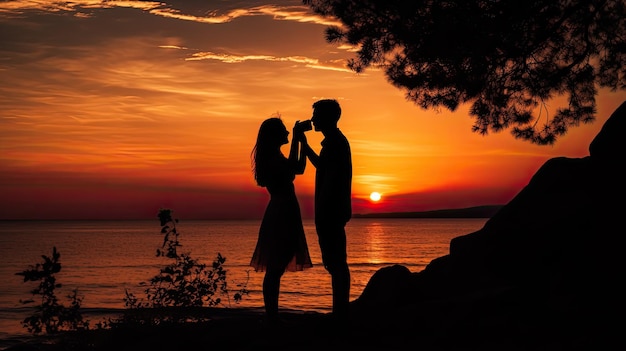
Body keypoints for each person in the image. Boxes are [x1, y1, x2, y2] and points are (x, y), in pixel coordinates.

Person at [249, 116, 313, 325]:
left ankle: (272, 315)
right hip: (281, 212)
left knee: (278, 263)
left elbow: (299, 168)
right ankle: (272, 316)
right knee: (276, 265)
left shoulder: (275, 156)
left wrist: (301, 141)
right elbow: (293, 168)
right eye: (284, 131)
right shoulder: (272, 159)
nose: (287, 133)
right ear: (275, 136)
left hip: (285, 210)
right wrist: (296, 138)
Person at [301, 99, 352, 322]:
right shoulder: (334, 143)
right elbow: (322, 166)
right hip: (333, 211)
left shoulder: (335, 143)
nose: (313, 119)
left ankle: (340, 313)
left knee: (336, 263)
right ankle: (340, 310)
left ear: (327, 117)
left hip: (330, 211)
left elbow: (329, 178)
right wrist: (304, 144)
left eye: (316, 115)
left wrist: (321, 211)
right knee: (335, 262)